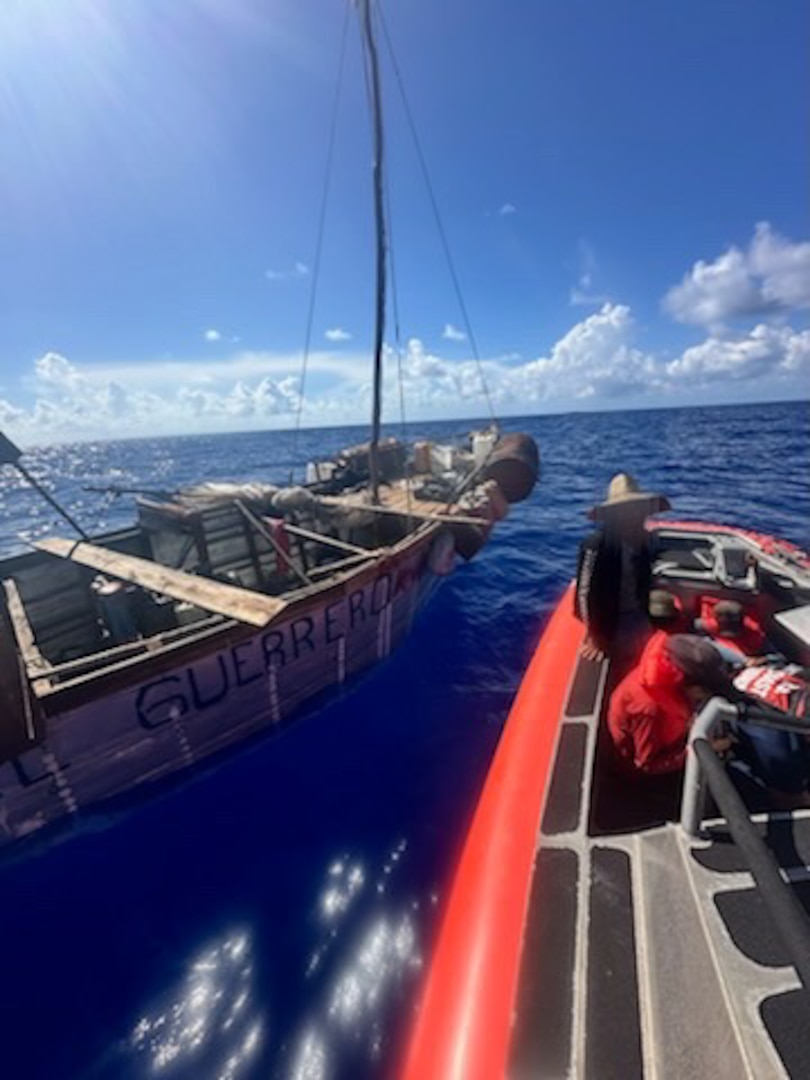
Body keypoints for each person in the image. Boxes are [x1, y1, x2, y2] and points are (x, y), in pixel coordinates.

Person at [607, 633, 739, 777]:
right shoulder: (649, 709)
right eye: (708, 691)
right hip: (652, 761)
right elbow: (646, 764)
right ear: (693, 688)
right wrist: (704, 750)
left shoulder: (670, 670)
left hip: (676, 726)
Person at [575, 473, 670, 666]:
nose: (633, 514)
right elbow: (584, 593)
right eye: (626, 510)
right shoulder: (597, 544)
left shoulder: (644, 539)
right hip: (612, 619)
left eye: (637, 509)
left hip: (638, 612)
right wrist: (595, 635)